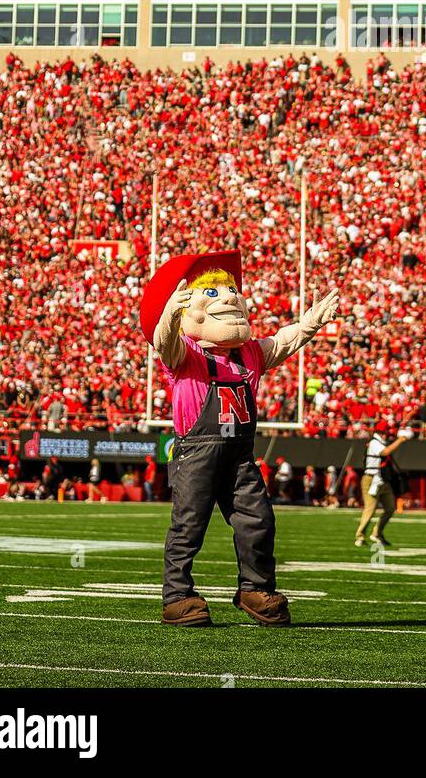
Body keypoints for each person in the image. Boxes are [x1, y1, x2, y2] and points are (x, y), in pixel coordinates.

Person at [142, 249, 339, 627]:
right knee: (189, 525)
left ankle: (255, 588)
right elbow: (165, 343)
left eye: (231, 292)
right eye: (214, 294)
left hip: (239, 455)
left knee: (258, 520)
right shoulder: (189, 354)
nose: (229, 298)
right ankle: (177, 595)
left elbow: (283, 341)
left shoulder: (250, 352)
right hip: (196, 452)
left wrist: (311, 323)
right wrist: (170, 312)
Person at [354, 419, 414, 548]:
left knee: (390, 507)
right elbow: (385, 452)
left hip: (382, 479)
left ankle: (377, 533)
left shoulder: (380, 441)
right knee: (370, 509)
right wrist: (400, 440)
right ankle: (360, 536)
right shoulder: (375, 443)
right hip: (371, 479)